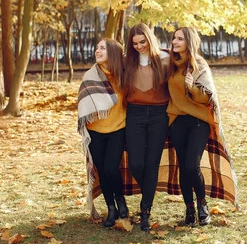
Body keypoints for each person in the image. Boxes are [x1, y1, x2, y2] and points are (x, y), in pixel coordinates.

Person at [167, 26, 236, 226]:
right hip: (177, 120)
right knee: (183, 166)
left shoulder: (199, 65)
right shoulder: (171, 64)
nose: (175, 42)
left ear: (190, 41)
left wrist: (192, 88)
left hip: (198, 121)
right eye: (174, 38)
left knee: (191, 165)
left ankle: (202, 206)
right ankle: (189, 209)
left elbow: (208, 96)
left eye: (179, 39)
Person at [123, 23, 170, 231]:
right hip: (135, 113)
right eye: (135, 43)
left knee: (152, 164)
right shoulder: (127, 62)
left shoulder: (165, 59)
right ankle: (149, 192)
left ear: (150, 39)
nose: (139, 46)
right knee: (136, 164)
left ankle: (145, 210)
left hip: (160, 115)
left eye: (143, 42)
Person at [77, 38, 129, 227]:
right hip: (95, 132)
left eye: (102, 48)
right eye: (97, 48)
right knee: (102, 171)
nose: (97, 51)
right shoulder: (90, 76)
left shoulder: (124, 76)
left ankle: (121, 201)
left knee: (110, 169)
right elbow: (83, 103)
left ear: (113, 53)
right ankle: (111, 208)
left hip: (117, 129)